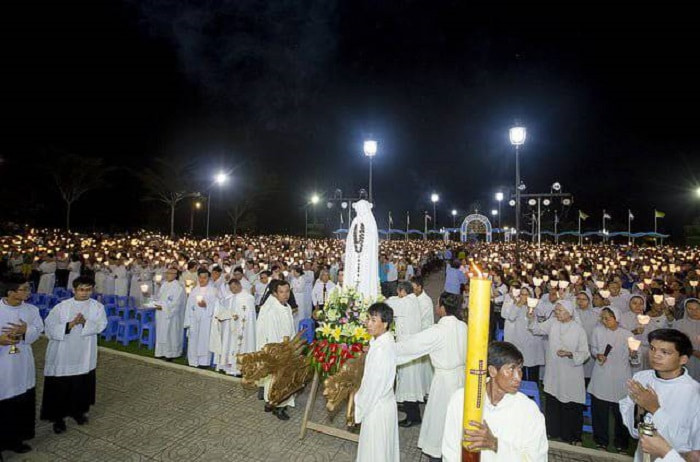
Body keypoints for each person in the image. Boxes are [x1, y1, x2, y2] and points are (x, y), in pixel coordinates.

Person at [441, 342, 548, 462]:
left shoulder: (528, 410)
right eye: (511, 369)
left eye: (520, 369)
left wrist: (495, 444)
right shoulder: (461, 399)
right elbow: (450, 450)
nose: (518, 377)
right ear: (492, 371)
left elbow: (537, 458)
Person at [394, 292, 467, 461]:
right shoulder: (463, 326)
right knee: (456, 418)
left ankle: (439, 451)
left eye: (437, 304)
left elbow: (412, 346)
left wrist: (388, 346)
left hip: (444, 381)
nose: (436, 307)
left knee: (440, 419)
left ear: (442, 308)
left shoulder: (438, 331)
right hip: (461, 379)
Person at [620, 329, 700, 462]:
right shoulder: (641, 378)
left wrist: (654, 409)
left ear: (683, 359)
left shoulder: (693, 393)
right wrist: (639, 412)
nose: (655, 355)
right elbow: (634, 432)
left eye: (665, 352)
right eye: (652, 348)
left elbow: (686, 445)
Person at [41, 276, 108, 434]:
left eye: (88, 290)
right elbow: (49, 326)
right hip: (63, 354)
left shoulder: (97, 307)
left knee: (81, 385)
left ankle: (78, 412)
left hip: (84, 352)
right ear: (74, 290)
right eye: (81, 289)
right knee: (61, 387)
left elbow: (101, 325)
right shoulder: (62, 307)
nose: (85, 293)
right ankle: (58, 419)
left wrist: (85, 322)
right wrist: (70, 324)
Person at [528, 299, 589, 445]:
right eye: (556, 310)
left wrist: (570, 354)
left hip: (571, 372)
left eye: (560, 310)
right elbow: (537, 329)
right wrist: (531, 317)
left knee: (570, 403)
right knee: (553, 400)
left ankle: (572, 436)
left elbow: (585, 353)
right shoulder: (552, 323)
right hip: (554, 370)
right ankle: (552, 431)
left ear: (569, 313)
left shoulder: (578, 329)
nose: (557, 313)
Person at [0, 276, 43, 458]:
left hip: (22, 361)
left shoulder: (31, 310)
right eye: (24, 289)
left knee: (20, 401)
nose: (28, 292)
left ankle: (16, 440)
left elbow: (38, 330)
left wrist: (27, 330)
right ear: (11, 292)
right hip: (2, 364)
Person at [354, 302, 399, 462]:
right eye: (368, 319)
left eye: (373, 320)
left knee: (375, 452)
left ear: (385, 324)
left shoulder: (381, 350)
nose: (368, 324)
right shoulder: (383, 342)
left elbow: (373, 386)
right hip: (384, 403)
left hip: (376, 407)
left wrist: (358, 403)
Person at [587, 306, 632, 452]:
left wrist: (634, 354)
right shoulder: (597, 331)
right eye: (603, 318)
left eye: (608, 318)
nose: (604, 321)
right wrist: (597, 355)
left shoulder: (627, 334)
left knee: (620, 413)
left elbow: (635, 360)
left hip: (621, 376)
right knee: (600, 410)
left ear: (616, 318)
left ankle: (622, 443)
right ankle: (601, 441)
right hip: (602, 374)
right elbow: (593, 348)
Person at [256, 279, 296, 420]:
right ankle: (279, 407)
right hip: (278, 350)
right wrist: (280, 352)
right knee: (279, 379)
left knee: (273, 379)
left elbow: (290, 328)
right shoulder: (272, 310)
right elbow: (271, 333)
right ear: (274, 293)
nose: (285, 295)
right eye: (281, 292)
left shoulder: (286, 307)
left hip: (286, 347)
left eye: (287, 291)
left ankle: (270, 402)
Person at [386, 280, 424, 426]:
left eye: (399, 292)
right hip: (409, 346)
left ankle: (413, 417)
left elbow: (391, 305)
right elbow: (394, 300)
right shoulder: (411, 300)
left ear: (403, 291)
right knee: (407, 381)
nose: (397, 294)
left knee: (409, 383)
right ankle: (410, 410)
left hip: (408, 347)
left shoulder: (406, 303)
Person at [210, 279, 256, 376]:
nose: (233, 290)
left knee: (240, 346)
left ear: (239, 285)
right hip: (230, 328)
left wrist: (238, 316)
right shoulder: (231, 297)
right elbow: (224, 307)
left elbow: (248, 313)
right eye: (231, 289)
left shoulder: (248, 298)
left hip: (242, 328)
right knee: (229, 345)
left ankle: (239, 368)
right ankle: (228, 365)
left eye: (235, 288)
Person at [183, 268, 220, 368]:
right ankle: (192, 360)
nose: (202, 280)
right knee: (193, 340)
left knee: (204, 341)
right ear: (198, 277)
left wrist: (206, 305)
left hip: (206, 320)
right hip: (194, 319)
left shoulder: (213, 291)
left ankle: (204, 362)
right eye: (200, 277)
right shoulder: (194, 290)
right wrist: (188, 321)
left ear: (208, 278)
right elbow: (189, 306)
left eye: (205, 278)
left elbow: (216, 306)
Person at [152, 266, 186, 361]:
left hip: (172, 316)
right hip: (161, 314)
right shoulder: (164, 284)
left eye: (171, 273)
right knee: (161, 333)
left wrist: (163, 307)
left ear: (175, 275)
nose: (168, 275)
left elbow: (177, 303)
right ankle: (160, 352)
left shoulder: (178, 287)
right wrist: (155, 303)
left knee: (171, 334)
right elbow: (159, 297)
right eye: (167, 273)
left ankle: (171, 353)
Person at [411, 276, 436, 395]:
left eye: (414, 288)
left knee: (424, 366)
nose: (412, 291)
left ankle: (425, 391)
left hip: (424, 333)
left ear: (420, 287)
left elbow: (418, 319)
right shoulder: (415, 298)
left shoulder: (425, 301)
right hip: (418, 334)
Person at [675, 298, 700, 381]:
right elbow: (675, 342)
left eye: (697, 308)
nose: (694, 311)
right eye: (690, 309)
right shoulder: (679, 324)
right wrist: (692, 351)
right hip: (687, 358)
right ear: (685, 309)